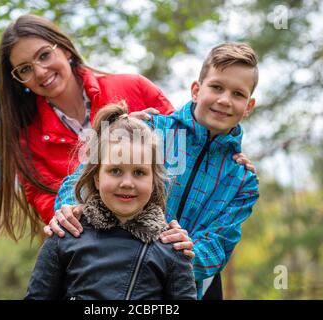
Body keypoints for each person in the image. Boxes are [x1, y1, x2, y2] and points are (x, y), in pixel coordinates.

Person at [52, 42, 260, 300]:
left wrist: (182, 255)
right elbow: (83, 179)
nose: (224, 100)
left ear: (249, 106)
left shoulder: (242, 180)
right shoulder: (149, 129)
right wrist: (68, 208)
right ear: (196, 90)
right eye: (216, 87)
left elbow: (220, 243)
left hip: (182, 288)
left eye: (238, 94)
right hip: (107, 275)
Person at [0, 14, 176, 240]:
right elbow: (51, 207)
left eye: (44, 55)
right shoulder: (28, 142)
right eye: (25, 69)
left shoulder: (134, 88)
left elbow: (188, 148)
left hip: (170, 243)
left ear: (65, 50)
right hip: (97, 254)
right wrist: (68, 212)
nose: (40, 71)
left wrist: (229, 149)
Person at [25, 103, 197, 300]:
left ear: (153, 182)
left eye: (139, 172)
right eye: (115, 171)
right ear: (97, 177)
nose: (127, 183)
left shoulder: (172, 248)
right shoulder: (65, 236)